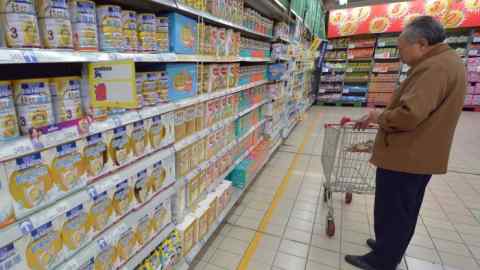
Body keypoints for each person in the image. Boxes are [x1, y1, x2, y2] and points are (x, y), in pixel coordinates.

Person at [344, 16, 467, 270]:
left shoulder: (435, 68)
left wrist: (380, 116)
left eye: (401, 48)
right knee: (402, 210)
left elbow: (410, 114)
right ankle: (387, 246)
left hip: (408, 156)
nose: (399, 54)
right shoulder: (445, 62)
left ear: (421, 43)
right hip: (416, 154)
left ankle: (383, 260)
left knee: (395, 210)